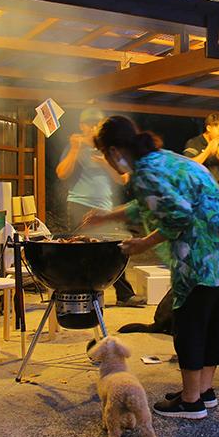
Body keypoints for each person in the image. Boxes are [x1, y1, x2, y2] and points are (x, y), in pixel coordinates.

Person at [85, 116, 219, 420]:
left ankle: (190, 403)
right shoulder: (163, 159)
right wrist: (107, 216)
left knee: (188, 324)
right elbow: (152, 203)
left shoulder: (144, 174)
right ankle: (203, 392)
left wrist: (143, 243)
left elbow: (179, 217)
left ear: (112, 151)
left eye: (104, 155)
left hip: (202, 256)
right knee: (213, 321)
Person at [56, 108, 145, 307]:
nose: (94, 129)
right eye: (91, 125)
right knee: (80, 250)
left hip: (104, 208)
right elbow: (61, 173)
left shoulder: (107, 148)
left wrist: (106, 164)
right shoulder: (75, 145)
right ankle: (76, 293)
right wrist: (73, 149)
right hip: (79, 203)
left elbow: (123, 178)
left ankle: (123, 294)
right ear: (82, 126)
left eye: (98, 124)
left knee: (112, 249)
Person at [183, 112, 219, 179]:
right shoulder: (194, 142)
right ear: (209, 128)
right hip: (199, 187)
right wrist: (209, 149)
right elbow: (189, 165)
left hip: (215, 187)